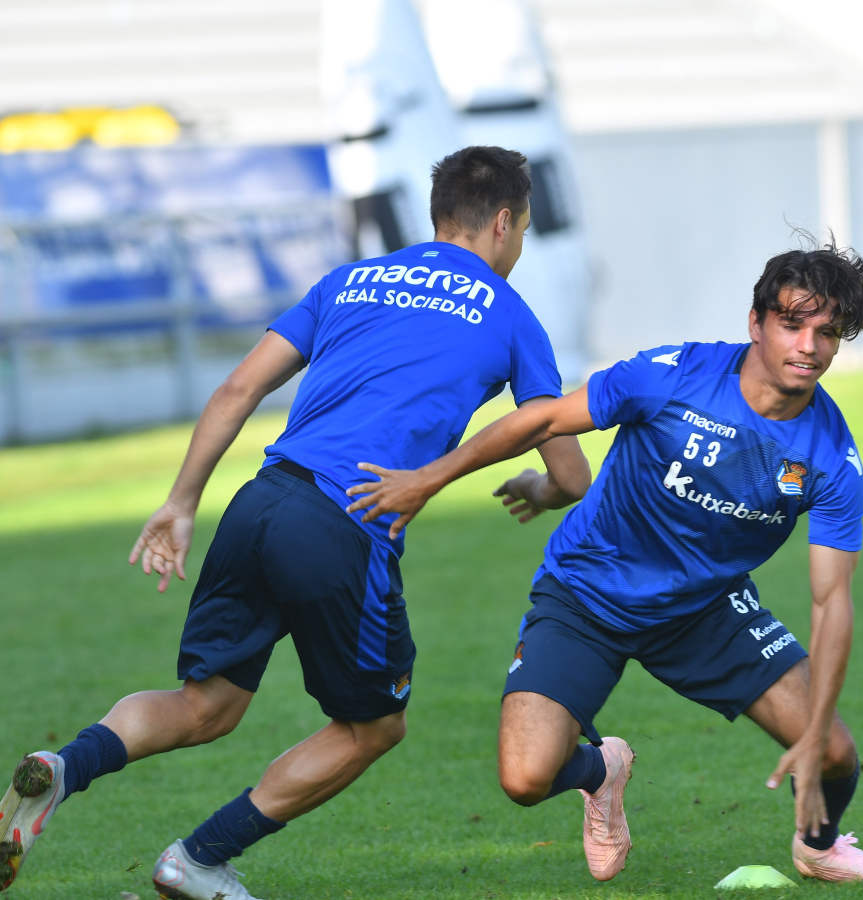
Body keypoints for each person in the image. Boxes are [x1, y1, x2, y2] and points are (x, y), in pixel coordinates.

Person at [0, 146, 590, 900]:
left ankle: (63, 767)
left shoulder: (349, 280)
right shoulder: (509, 313)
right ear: (504, 222)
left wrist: (180, 503)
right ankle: (199, 858)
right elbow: (571, 470)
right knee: (374, 726)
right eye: (525, 231)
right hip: (346, 522)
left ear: (439, 214)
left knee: (206, 705)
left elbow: (236, 389)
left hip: (262, 499)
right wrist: (540, 489)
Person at [345, 241, 863, 883]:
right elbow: (544, 419)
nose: (808, 346)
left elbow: (832, 601)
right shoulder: (673, 377)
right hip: (586, 594)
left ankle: (819, 847)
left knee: (832, 752)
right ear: (756, 322)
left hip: (704, 611)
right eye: (792, 323)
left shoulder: (830, 457)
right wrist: (429, 478)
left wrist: (814, 727)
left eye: (827, 333)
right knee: (525, 778)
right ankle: (602, 769)